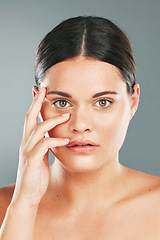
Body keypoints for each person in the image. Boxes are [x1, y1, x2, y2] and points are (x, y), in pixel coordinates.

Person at [0, 16, 160, 240]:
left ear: (133, 102)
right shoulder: (5, 207)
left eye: (102, 102)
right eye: (62, 103)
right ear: (37, 104)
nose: (80, 125)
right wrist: (24, 204)